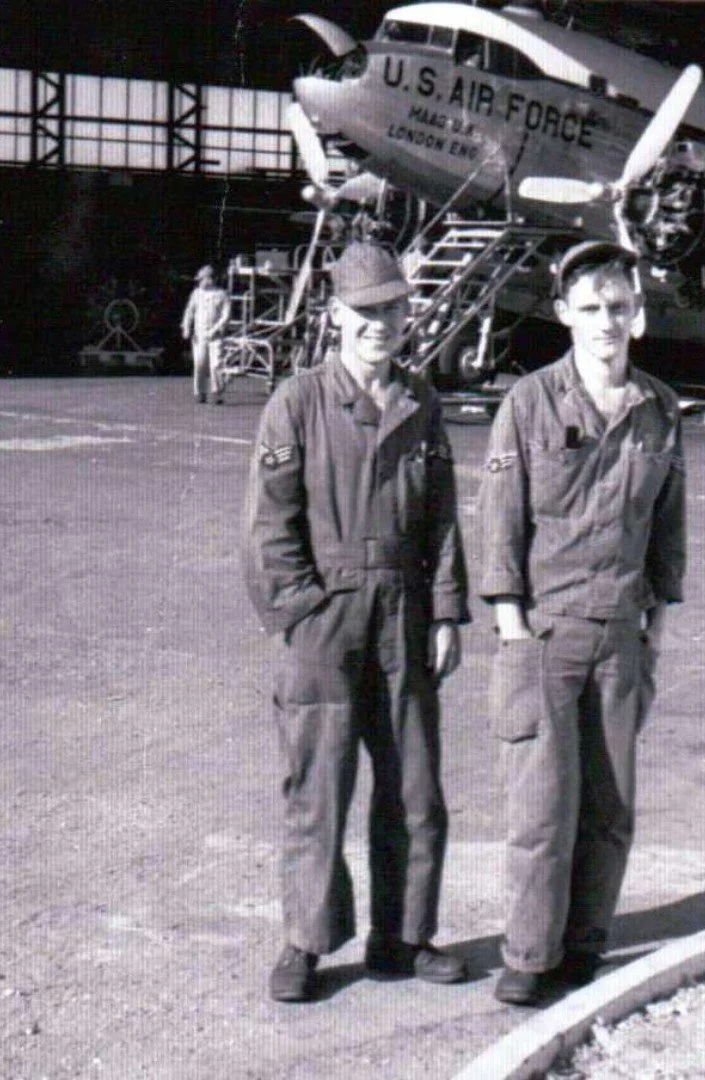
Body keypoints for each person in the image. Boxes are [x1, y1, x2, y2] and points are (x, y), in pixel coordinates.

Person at [242, 241, 470, 1002]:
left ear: (409, 313)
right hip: (326, 616)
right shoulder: (298, 402)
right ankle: (306, 943)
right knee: (318, 784)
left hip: (404, 611)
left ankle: (403, 936)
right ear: (336, 316)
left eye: (393, 309)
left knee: (414, 787)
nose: (381, 323)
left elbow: (441, 519)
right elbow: (268, 525)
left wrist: (444, 612)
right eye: (365, 311)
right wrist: (302, 612)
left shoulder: (421, 400)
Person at [477, 240, 687, 1005]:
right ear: (564, 314)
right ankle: (529, 955)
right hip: (545, 633)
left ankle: (583, 943)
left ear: (639, 315)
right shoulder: (528, 403)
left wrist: (657, 625)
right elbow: (499, 526)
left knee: (610, 808)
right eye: (591, 309)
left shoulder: (658, 410)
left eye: (620, 308)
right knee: (540, 809)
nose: (607, 322)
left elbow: (669, 526)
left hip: (622, 634)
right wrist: (512, 628)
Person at [181, 264, 230, 404]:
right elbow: (189, 312)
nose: (200, 282)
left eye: (201, 279)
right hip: (199, 335)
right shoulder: (196, 294)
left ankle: (216, 392)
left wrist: (215, 329)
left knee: (216, 365)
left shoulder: (222, 294)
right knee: (199, 364)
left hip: (216, 336)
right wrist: (186, 327)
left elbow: (226, 316)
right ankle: (199, 392)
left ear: (209, 279)